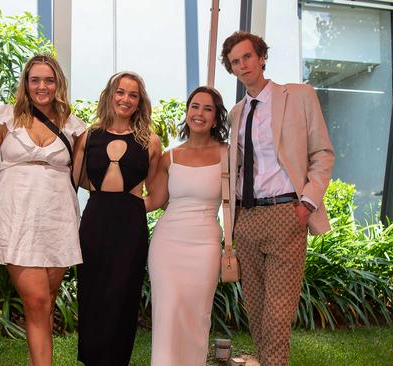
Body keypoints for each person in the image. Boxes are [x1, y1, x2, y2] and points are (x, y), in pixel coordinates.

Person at [220, 31, 334, 365]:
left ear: (262, 57)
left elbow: (323, 154)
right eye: (235, 62)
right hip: (248, 218)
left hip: (287, 213)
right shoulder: (236, 114)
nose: (243, 66)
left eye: (247, 57)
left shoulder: (298, 96)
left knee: (277, 315)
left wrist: (307, 204)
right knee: (255, 313)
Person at [0, 54, 85, 366]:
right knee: (37, 300)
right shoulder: (5, 118)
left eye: (49, 80)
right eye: (35, 80)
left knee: (45, 304)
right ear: (25, 84)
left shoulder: (74, 126)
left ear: (58, 83)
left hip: (57, 219)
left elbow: (82, 176)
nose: (42, 86)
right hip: (16, 217)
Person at [73, 71, 162, 366]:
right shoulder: (89, 136)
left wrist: (130, 209)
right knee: (93, 295)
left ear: (140, 102)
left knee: (123, 297)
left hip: (130, 229)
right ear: (110, 96)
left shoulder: (150, 141)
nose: (125, 99)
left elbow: (158, 195)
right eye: (120, 92)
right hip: (95, 222)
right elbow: (79, 179)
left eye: (133, 95)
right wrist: (107, 202)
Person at [145, 86, 229, 366]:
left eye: (207, 108)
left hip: (205, 244)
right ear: (187, 112)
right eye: (195, 106)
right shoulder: (170, 157)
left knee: (197, 316)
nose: (200, 113)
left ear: (216, 118)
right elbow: (154, 200)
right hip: (167, 244)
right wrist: (112, 203)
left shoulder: (228, 155)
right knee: (167, 314)